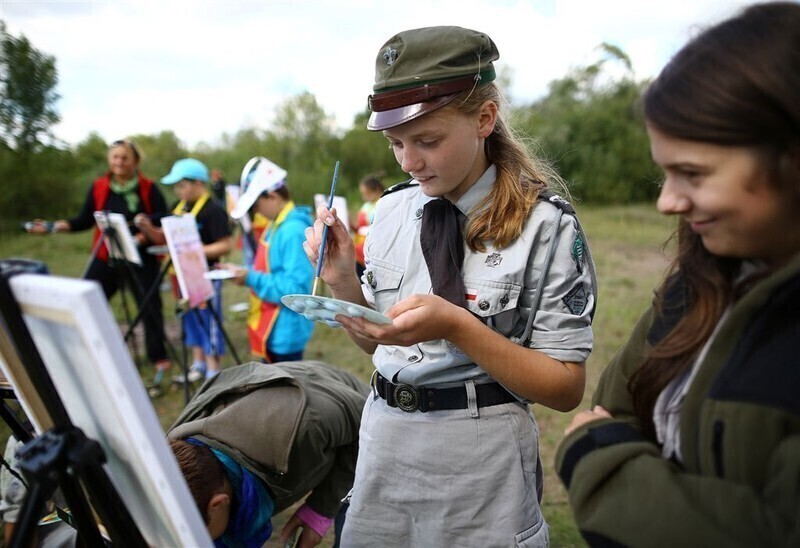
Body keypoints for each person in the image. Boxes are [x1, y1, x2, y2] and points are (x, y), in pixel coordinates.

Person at [303, 26, 597, 546]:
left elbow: (565, 388)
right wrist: (344, 281)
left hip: (480, 461)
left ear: (485, 118)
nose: (409, 162)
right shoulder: (391, 210)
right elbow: (379, 342)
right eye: (396, 143)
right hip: (385, 446)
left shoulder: (545, 225)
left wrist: (459, 328)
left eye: (428, 141)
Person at [555, 3, 800, 546]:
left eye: (692, 173)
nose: (667, 201)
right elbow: (613, 406)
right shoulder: (698, 281)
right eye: (664, 172)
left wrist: (603, 467)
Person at [167, 360, 367, 547]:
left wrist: (320, 509)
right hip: (292, 415)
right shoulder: (172, 452)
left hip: (351, 413)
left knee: (356, 533)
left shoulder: (305, 426)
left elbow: (366, 430)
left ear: (217, 504)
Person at [25, 139, 171, 372]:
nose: (119, 162)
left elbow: (162, 216)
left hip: (141, 256)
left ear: (135, 161)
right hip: (108, 254)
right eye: (115, 157)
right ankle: (87, 350)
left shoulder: (147, 187)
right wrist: (52, 226)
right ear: (109, 160)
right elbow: (83, 219)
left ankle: (158, 356)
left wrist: (144, 235)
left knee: (150, 303)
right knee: (86, 297)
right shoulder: (100, 187)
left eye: (124, 158)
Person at [136, 158, 233, 382]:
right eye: (175, 186)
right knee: (188, 318)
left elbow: (225, 244)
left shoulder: (213, 211)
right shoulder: (177, 207)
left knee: (208, 320)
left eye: (182, 185)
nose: (178, 191)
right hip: (180, 275)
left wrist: (194, 251)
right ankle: (197, 362)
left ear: (199, 183)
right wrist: (148, 228)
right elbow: (165, 237)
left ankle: (213, 369)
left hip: (206, 276)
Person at [219, 157, 314, 364]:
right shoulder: (277, 224)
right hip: (274, 328)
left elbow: (296, 289)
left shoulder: (291, 231)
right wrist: (242, 271)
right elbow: (272, 270)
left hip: (285, 331)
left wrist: (251, 278)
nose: (255, 213)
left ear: (272, 196)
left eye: (255, 206)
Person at [352, 172, 385, 278]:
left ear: (376, 190)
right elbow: (360, 228)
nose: (364, 196)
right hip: (359, 247)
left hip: (373, 247)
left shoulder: (384, 203)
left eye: (366, 193)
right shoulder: (366, 205)